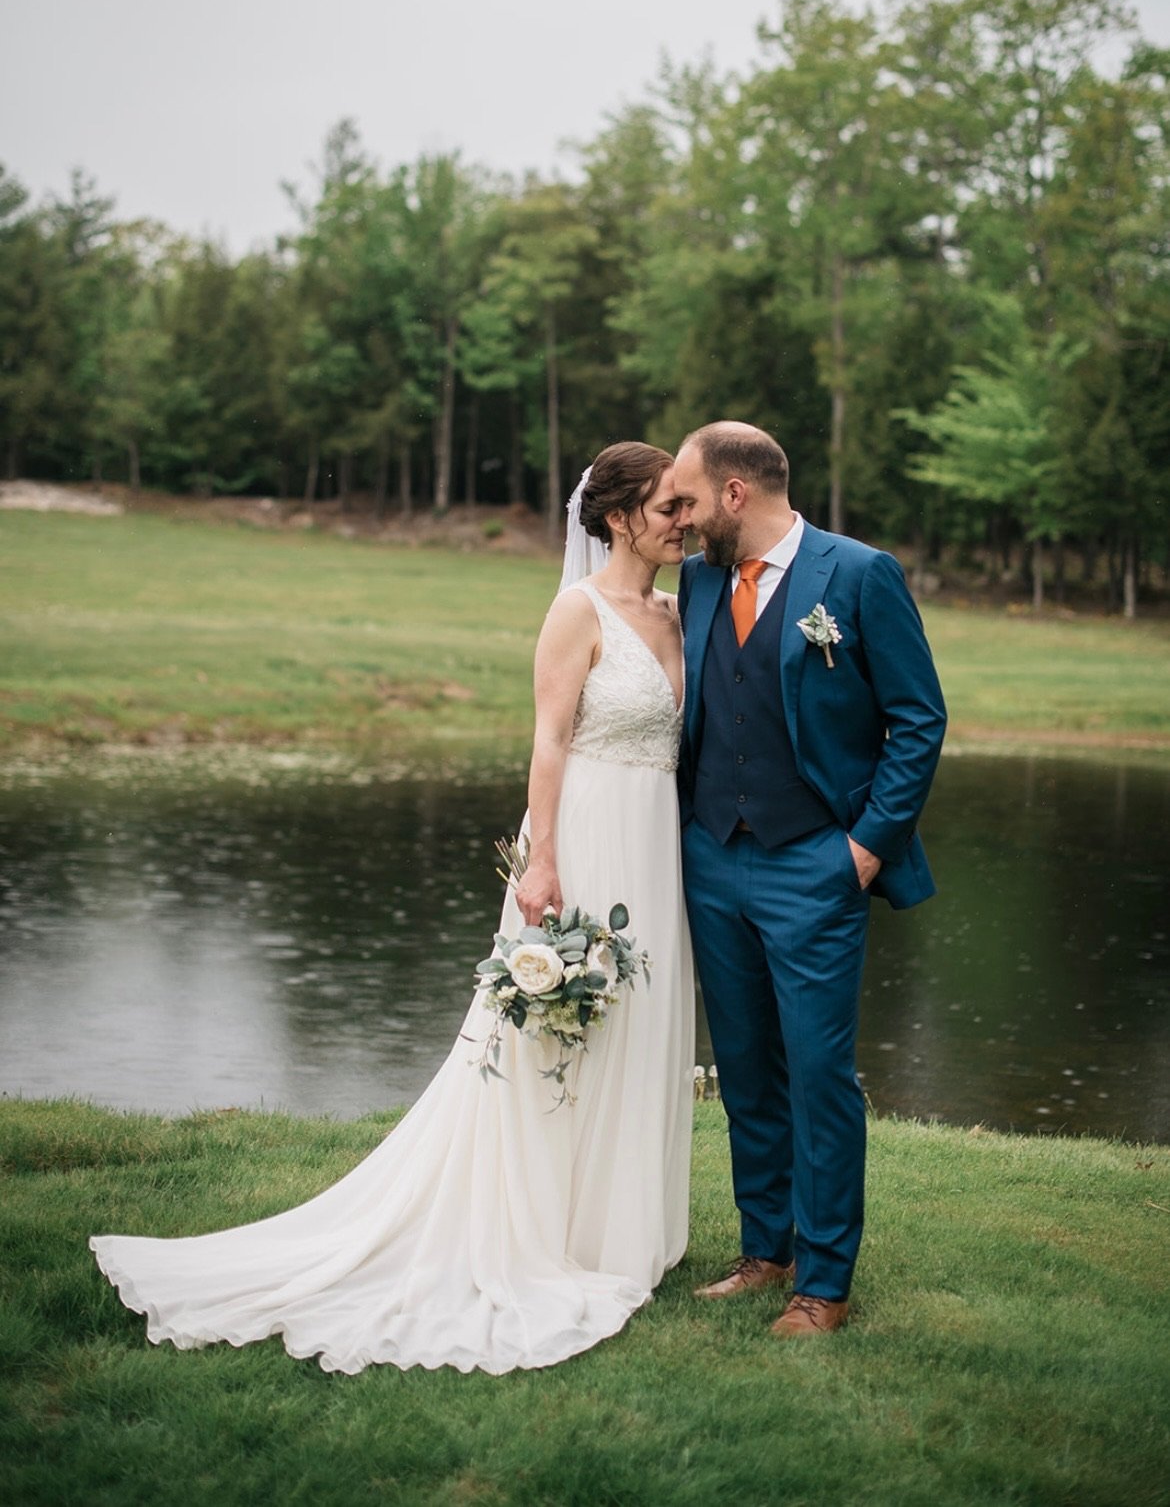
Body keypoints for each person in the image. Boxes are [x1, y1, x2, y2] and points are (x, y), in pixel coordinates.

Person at [90, 442, 694, 1374]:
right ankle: (536, 1228)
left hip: (654, 844)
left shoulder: (679, 612)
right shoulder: (577, 611)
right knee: (551, 1036)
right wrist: (541, 862)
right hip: (583, 837)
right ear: (618, 518)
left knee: (637, 1024)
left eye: (685, 506)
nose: (684, 521)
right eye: (667, 507)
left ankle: (617, 1231)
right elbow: (548, 741)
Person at [672, 422, 946, 1338]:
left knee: (820, 1075)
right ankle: (767, 1250)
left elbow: (919, 718)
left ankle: (823, 1284)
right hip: (712, 857)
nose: (683, 519)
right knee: (746, 1069)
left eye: (691, 500)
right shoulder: (700, 579)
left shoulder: (860, 575)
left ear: (736, 493)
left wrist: (864, 848)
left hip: (816, 864)